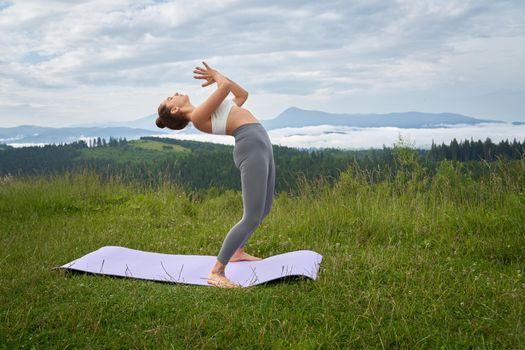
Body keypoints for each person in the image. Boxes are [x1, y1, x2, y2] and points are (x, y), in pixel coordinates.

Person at [156, 62, 275, 288]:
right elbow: (226, 86)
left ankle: (238, 252)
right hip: (250, 147)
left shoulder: (209, 111)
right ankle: (217, 271)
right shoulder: (199, 115)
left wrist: (220, 79)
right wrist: (217, 77)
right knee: (251, 215)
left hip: (261, 145)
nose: (175, 94)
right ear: (174, 110)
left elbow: (241, 95)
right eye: (171, 98)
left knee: (264, 209)